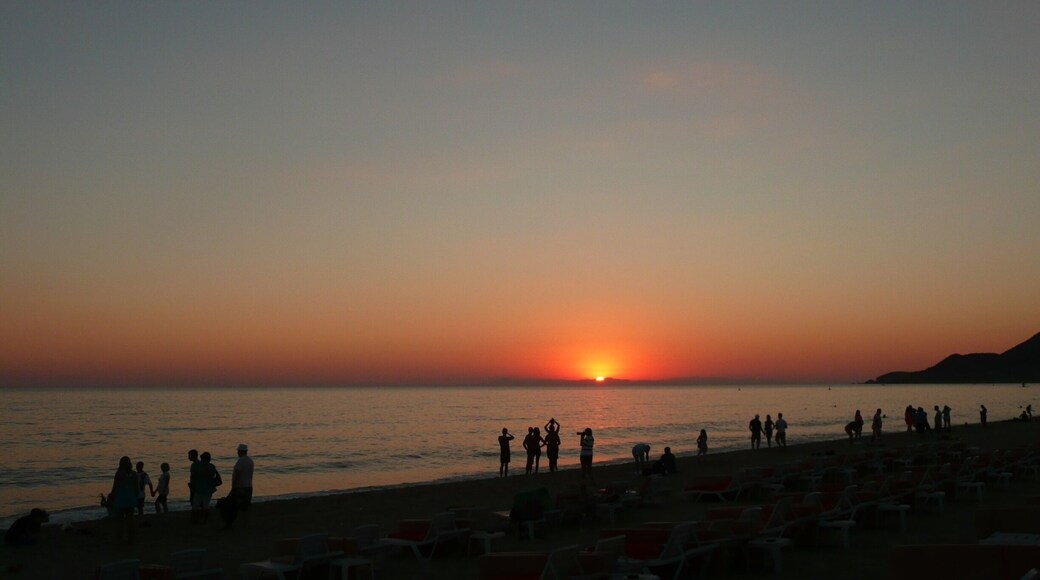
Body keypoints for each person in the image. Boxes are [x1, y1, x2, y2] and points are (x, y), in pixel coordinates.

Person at [110, 456, 137, 541]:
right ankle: (131, 538)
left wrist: (111, 497)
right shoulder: (133, 473)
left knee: (120, 520)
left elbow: (115, 487)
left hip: (121, 498)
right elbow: (136, 487)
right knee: (130, 519)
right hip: (130, 498)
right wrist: (136, 497)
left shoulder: (119, 474)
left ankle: (120, 538)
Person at [191, 451, 221, 524]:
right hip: (208, 489)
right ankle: (205, 520)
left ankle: (198, 520)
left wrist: (193, 485)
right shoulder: (212, 467)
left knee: (196, 505)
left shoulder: (198, 466)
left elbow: (194, 477)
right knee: (205, 505)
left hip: (201, 488)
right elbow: (213, 477)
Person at [231, 444, 254, 513]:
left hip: (240, 487)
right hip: (249, 486)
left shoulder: (240, 461)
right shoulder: (250, 461)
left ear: (240, 451)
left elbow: (237, 475)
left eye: (238, 451)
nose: (237, 452)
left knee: (239, 505)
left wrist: (234, 487)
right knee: (246, 505)